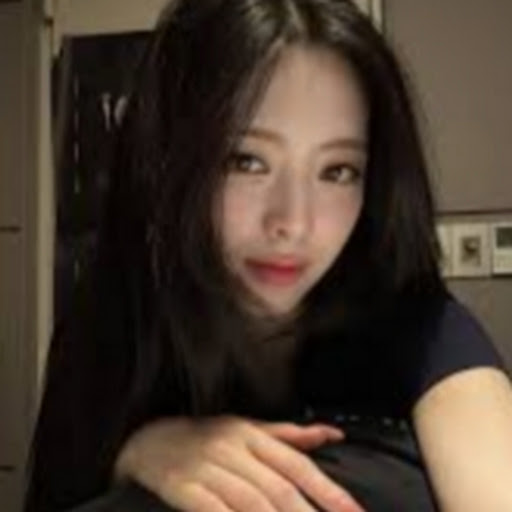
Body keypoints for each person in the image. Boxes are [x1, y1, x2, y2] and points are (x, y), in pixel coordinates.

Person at [24, 0, 512, 511]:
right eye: (247, 161)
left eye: (338, 171)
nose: (293, 223)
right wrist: (134, 452)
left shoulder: (422, 329)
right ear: (167, 159)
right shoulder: (114, 330)